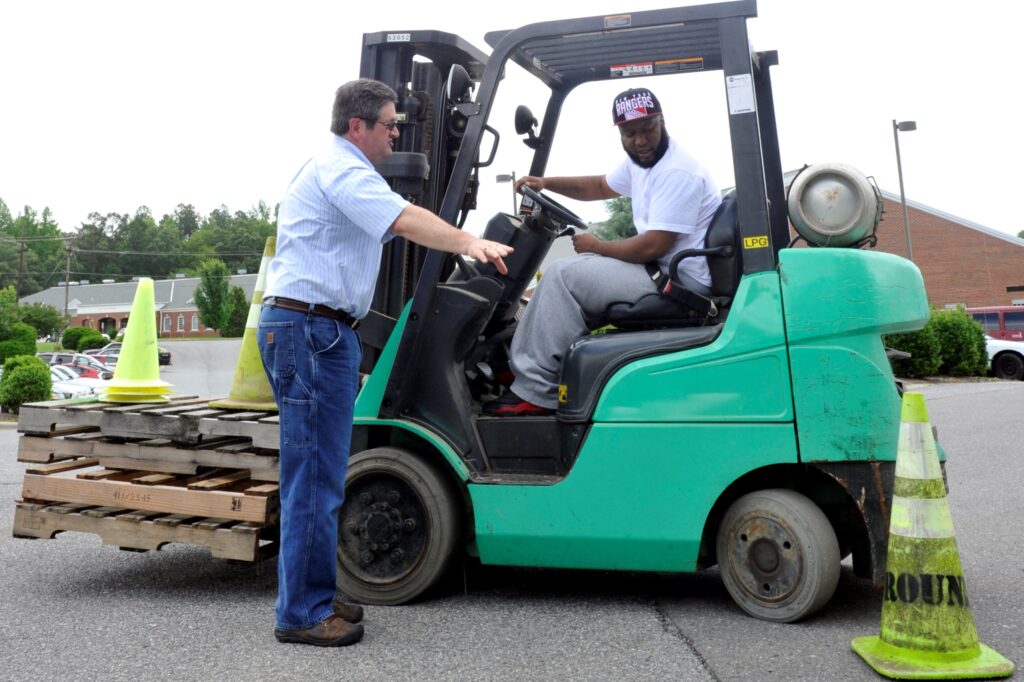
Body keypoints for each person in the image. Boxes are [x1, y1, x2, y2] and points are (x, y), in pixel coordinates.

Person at [258, 78, 512, 647]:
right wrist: (468, 242)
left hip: (319, 331)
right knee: (315, 480)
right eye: (390, 124)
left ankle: (314, 593)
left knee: (322, 477)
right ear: (358, 126)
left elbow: (398, 216)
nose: (398, 133)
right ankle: (300, 612)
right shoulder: (342, 170)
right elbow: (402, 219)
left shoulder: (341, 168)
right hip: (311, 332)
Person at [485, 87, 721, 417]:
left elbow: (655, 245)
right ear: (620, 133)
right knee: (576, 269)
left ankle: (536, 392)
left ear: (662, 121)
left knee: (562, 275)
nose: (640, 141)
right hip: (662, 270)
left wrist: (598, 246)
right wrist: (546, 183)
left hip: (678, 283)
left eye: (648, 129)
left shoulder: (675, 171)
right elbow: (599, 186)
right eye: (630, 133)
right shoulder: (643, 162)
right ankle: (528, 370)